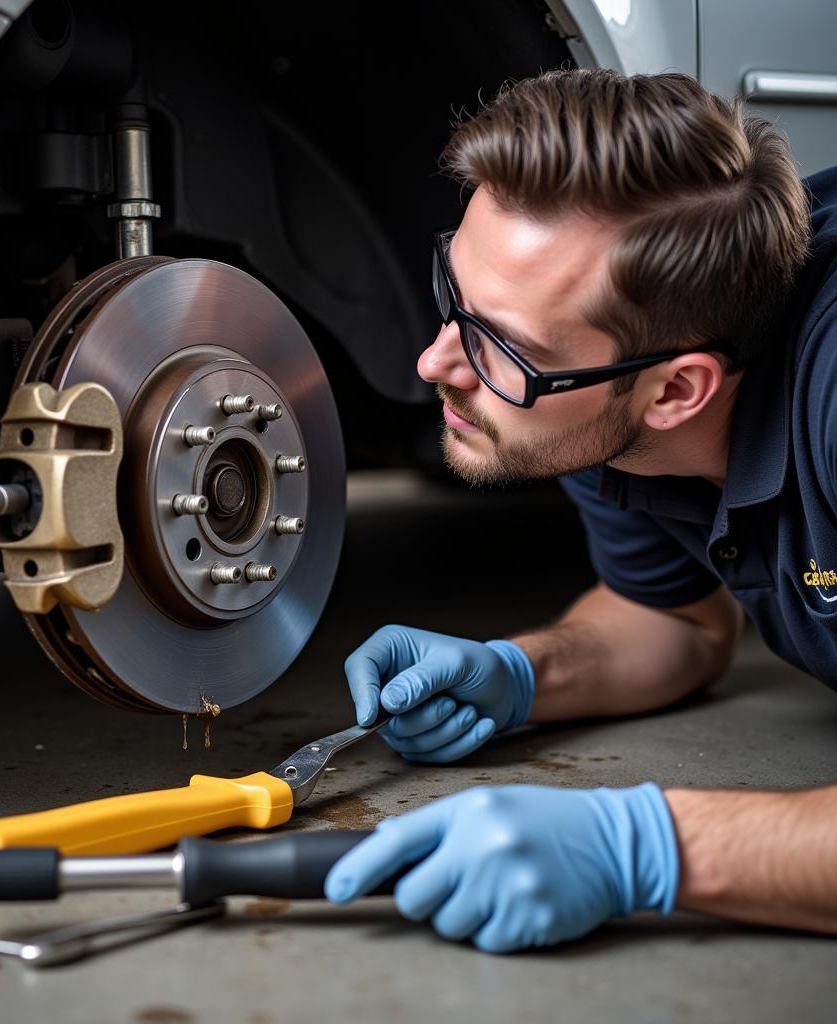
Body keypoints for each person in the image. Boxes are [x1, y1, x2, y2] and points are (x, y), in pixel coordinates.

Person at [323, 69, 837, 952]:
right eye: (458, 301)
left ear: (678, 390)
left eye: (500, 347)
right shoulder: (603, 392)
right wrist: (521, 675)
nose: (434, 363)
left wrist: (650, 848)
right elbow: (674, 620)